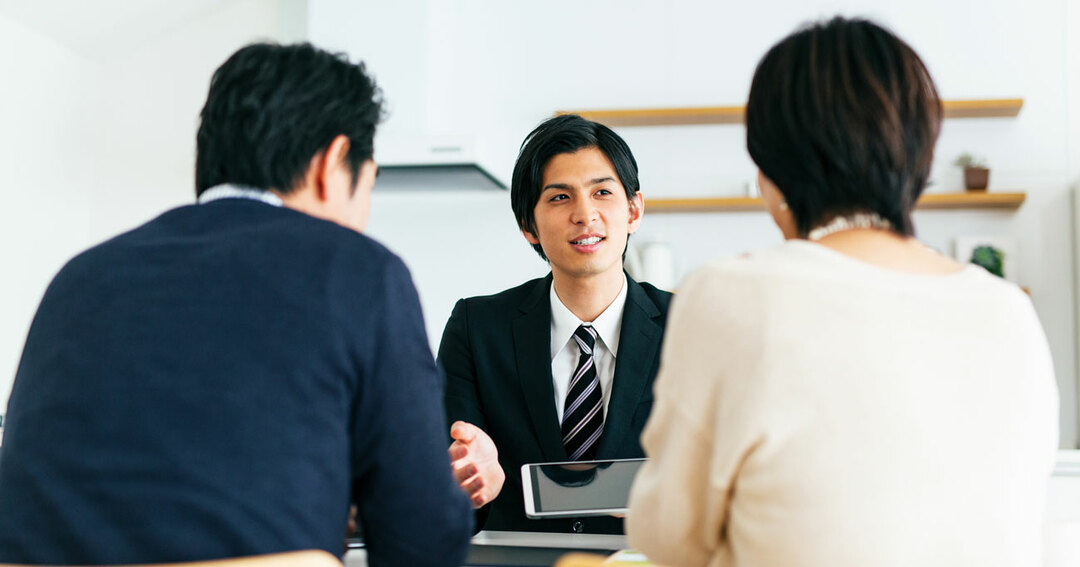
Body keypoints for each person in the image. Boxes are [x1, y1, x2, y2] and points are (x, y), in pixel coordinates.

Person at [0, 42, 472, 566]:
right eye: (369, 183)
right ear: (333, 162)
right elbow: (422, 539)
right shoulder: (359, 271)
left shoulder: (79, 277)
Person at [627, 17, 1059, 567]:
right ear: (920, 159)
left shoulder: (731, 294)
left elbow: (668, 536)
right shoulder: (1009, 312)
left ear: (771, 172)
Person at [439, 114, 672, 534]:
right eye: (560, 198)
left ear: (634, 210)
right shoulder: (476, 328)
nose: (585, 215)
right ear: (528, 225)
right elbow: (444, 472)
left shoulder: (690, 327)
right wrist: (466, 478)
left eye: (602, 192)